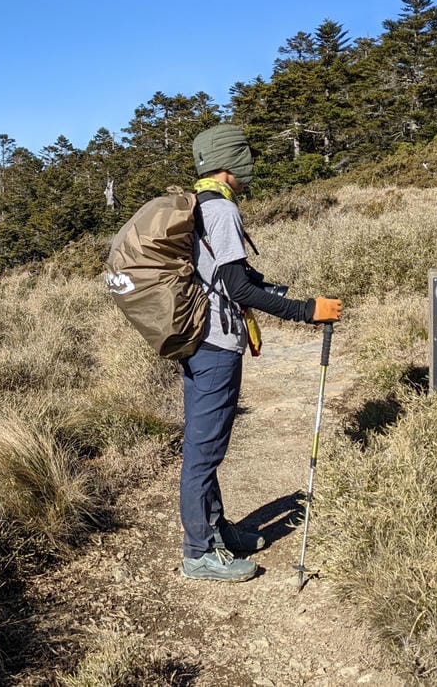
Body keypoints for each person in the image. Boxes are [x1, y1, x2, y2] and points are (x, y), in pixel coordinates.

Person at [180, 124, 342, 582]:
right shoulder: (221, 211)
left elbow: (229, 277)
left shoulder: (199, 203)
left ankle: (215, 530)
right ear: (231, 160)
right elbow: (235, 286)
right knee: (204, 451)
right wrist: (304, 310)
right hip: (214, 343)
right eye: (246, 155)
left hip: (200, 340)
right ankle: (198, 552)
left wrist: (274, 292)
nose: (251, 163)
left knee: (204, 444)